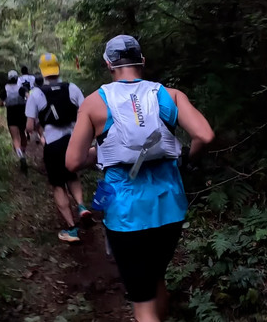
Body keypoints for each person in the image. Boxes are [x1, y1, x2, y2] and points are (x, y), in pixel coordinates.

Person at [65, 35, 215, 322]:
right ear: (142, 61)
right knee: (156, 276)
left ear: (108, 64)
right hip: (169, 204)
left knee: (142, 302)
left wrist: (102, 152)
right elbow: (205, 135)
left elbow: (72, 161)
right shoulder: (170, 95)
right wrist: (187, 159)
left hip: (125, 212)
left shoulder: (95, 102)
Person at [26, 53, 92, 242]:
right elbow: (86, 111)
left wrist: (39, 132)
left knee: (57, 185)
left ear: (42, 71)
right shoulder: (72, 88)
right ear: (58, 68)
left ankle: (72, 229)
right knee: (72, 175)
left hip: (53, 144)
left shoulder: (36, 94)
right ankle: (81, 206)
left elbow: (30, 127)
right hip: (73, 141)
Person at [0, 69, 29, 174]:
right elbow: (28, 97)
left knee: (15, 138)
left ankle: (21, 157)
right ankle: (24, 153)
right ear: (17, 79)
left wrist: (5, 103)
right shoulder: (21, 88)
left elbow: (0, 104)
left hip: (11, 114)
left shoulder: (4, 90)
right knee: (23, 134)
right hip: (22, 113)